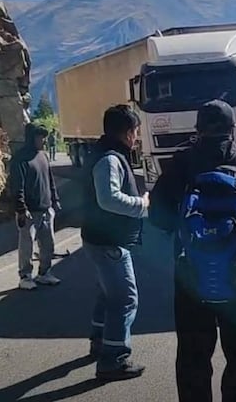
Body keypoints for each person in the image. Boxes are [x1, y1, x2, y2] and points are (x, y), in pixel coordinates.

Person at [149, 99, 236, 402]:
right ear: (232, 129)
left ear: (197, 130)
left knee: (194, 359)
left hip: (192, 278)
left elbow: (157, 216)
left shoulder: (181, 163)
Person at [81, 104, 150, 381]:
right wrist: (141, 204)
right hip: (109, 242)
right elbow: (108, 198)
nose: (136, 137)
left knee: (107, 294)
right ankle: (113, 359)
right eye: (135, 131)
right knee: (125, 298)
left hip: (99, 239)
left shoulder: (104, 153)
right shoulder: (110, 159)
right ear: (126, 133)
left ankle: (99, 343)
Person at [10, 123, 61, 290]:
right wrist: (21, 209)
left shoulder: (43, 156)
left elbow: (50, 180)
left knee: (48, 244)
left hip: (46, 209)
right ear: (32, 138)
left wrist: (55, 200)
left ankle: (44, 273)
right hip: (29, 211)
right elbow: (17, 186)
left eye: (44, 137)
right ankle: (25, 277)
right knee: (27, 245)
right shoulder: (20, 158)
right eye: (40, 137)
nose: (43, 140)